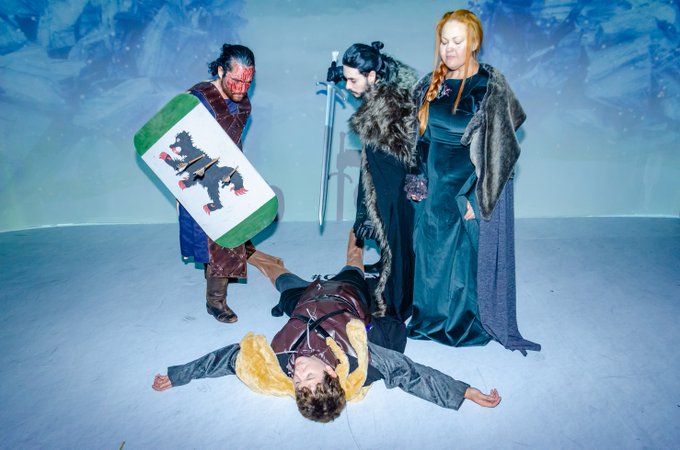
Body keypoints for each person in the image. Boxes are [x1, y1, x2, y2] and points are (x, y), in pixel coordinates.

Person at [152, 231, 501, 423]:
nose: (298, 373)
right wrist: (463, 392)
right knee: (354, 257)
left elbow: (228, 358)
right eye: (309, 377)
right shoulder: (356, 358)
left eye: (297, 382)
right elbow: (408, 373)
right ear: (332, 374)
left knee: (277, 276)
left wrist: (180, 375)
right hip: (346, 292)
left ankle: (258, 257)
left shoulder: (276, 362)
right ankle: (361, 214)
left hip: (304, 300)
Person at [406, 10, 540, 354]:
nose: (449, 49)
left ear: (475, 42)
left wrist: (478, 198)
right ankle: (428, 319)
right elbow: (418, 138)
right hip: (432, 186)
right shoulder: (429, 84)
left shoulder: (489, 87)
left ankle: (460, 325)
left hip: (465, 190)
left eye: (458, 41)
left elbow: (500, 151)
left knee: (461, 263)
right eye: (444, 41)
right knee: (430, 255)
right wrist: (417, 178)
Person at [169, 43, 280, 324]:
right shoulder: (196, 99)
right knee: (213, 241)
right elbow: (175, 144)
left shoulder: (243, 102)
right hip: (197, 176)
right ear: (220, 71)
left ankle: (217, 293)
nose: (242, 88)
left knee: (228, 236)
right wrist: (181, 190)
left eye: (248, 82)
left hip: (224, 173)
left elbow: (232, 144)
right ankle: (215, 302)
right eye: (236, 80)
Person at [336, 41, 418, 321]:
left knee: (398, 243)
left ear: (372, 76)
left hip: (396, 188)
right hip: (384, 183)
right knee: (391, 244)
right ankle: (392, 283)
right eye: (346, 78)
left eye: (353, 80)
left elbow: (409, 154)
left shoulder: (392, 105)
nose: (348, 86)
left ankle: (395, 307)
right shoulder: (381, 92)